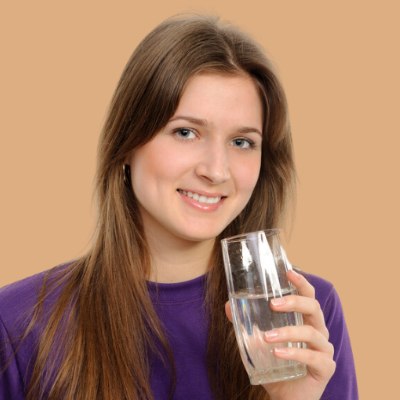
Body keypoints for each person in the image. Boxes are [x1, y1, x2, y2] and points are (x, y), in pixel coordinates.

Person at [0, 14, 358, 400]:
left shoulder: (308, 315)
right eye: (185, 132)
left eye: (242, 142)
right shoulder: (20, 324)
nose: (216, 171)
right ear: (126, 145)